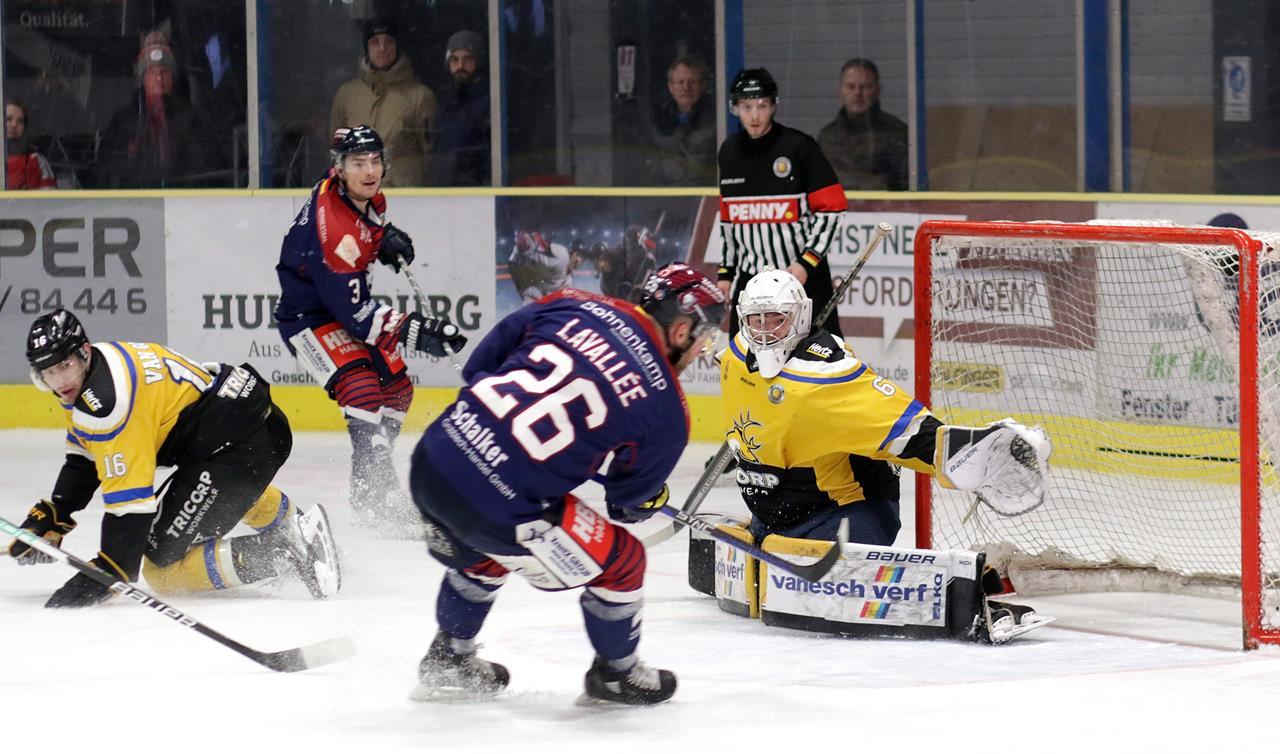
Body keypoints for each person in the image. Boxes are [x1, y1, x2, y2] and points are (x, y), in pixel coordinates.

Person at [407, 263, 728, 704]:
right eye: (704, 338)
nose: (700, 352)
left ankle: (450, 655)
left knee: (492, 548)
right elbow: (627, 502)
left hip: (433, 460)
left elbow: (480, 367)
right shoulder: (669, 407)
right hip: (497, 507)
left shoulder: (572, 302)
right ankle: (616, 674)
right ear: (680, 330)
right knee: (624, 560)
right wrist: (651, 496)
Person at [10, 309, 340, 607]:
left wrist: (111, 569)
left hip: (236, 446)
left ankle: (286, 551)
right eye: (48, 372)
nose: (60, 381)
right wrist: (56, 511)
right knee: (215, 491)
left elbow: (131, 502)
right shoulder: (100, 363)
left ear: (82, 353)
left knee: (161, 567)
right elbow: (86, 452)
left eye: (64, 366)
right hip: (244, 423)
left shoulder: (109, 402)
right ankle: (297, 526)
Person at [274, 125, 467, 529]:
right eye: (358, 163)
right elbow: (358, 318)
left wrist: (381, 239)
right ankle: (375, 489)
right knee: (360, 388)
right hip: (309, 320)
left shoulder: (355, 192)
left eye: (375, 160)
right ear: (339, 168)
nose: (370, 170)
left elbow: (366, 231)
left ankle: (372, 476)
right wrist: (417, 331)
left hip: (338, 306)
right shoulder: (336, 233)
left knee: (398, 388)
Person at [717, 67, 847, 340]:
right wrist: (726, 273)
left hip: (803, 279)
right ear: (735, 108)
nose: (754, 115)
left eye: (762, 105)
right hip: (752, 281)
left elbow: (833, 208)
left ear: (774, 105)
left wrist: (806, 263)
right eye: (746, 106)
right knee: (744, 359)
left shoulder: (800, 147)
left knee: (822, 356)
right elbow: (729, 222)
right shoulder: (728, 152)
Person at [96, 31, 216, 188]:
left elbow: (206, 170)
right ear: (143, 80)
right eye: (152, 72)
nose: (159, 78)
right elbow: (105, 170)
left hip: (182, 205)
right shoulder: (123, 121)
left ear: (172, 79)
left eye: (164, 72)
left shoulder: (190, 119)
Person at [330, 18, 436, 188]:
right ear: (366, 48)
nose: (382, 48)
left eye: (389, 41)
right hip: (357, 196)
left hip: (408, 196)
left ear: (397, 46)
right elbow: (336, 151)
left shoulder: (420, 96)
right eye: (375, 42)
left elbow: (431, 157)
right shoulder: (346, 95)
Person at [816, 58, 908, 191]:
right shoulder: (827, 136)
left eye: (865, 87)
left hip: (880, 210)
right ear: (840, 91)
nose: (857, 93)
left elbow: (906, 187)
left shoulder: (896, 133)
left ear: (877, 90)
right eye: (850, 87)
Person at [429, 30, 490, 187]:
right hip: (445, 196)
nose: (460, 66)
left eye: (467, 59)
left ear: (479, 61)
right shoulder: (444, 104)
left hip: (477, 198)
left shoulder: (490, 102)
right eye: (454, 60)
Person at [646, 55, 717, 186]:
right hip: (669, 201)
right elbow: (652, 172)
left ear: (703, 85)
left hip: (707, 201)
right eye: (680, 82)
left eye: (692, 82)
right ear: (670, 87)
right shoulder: (659, 123)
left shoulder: (718, 121)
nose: (686, 88)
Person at [5, 99, 57, 190]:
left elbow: (50, 200)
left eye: (20, 121)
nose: (14, 124)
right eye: (8, 119)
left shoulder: (36, 161)